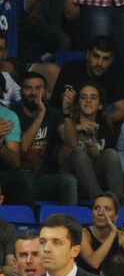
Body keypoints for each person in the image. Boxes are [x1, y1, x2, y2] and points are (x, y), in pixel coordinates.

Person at [12, 70, 78, 207]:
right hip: (17, 178)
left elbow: (72, 143)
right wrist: (41, 114)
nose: (33, 93)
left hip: (43, 178)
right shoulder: (13, 114)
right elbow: (23, 148)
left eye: (38, 88)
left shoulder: (53, 114)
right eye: (28, 88)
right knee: (25, 180)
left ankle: (68, 220)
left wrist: (67, 113)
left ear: (46, 92)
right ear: (21, 92)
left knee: (69, 181)